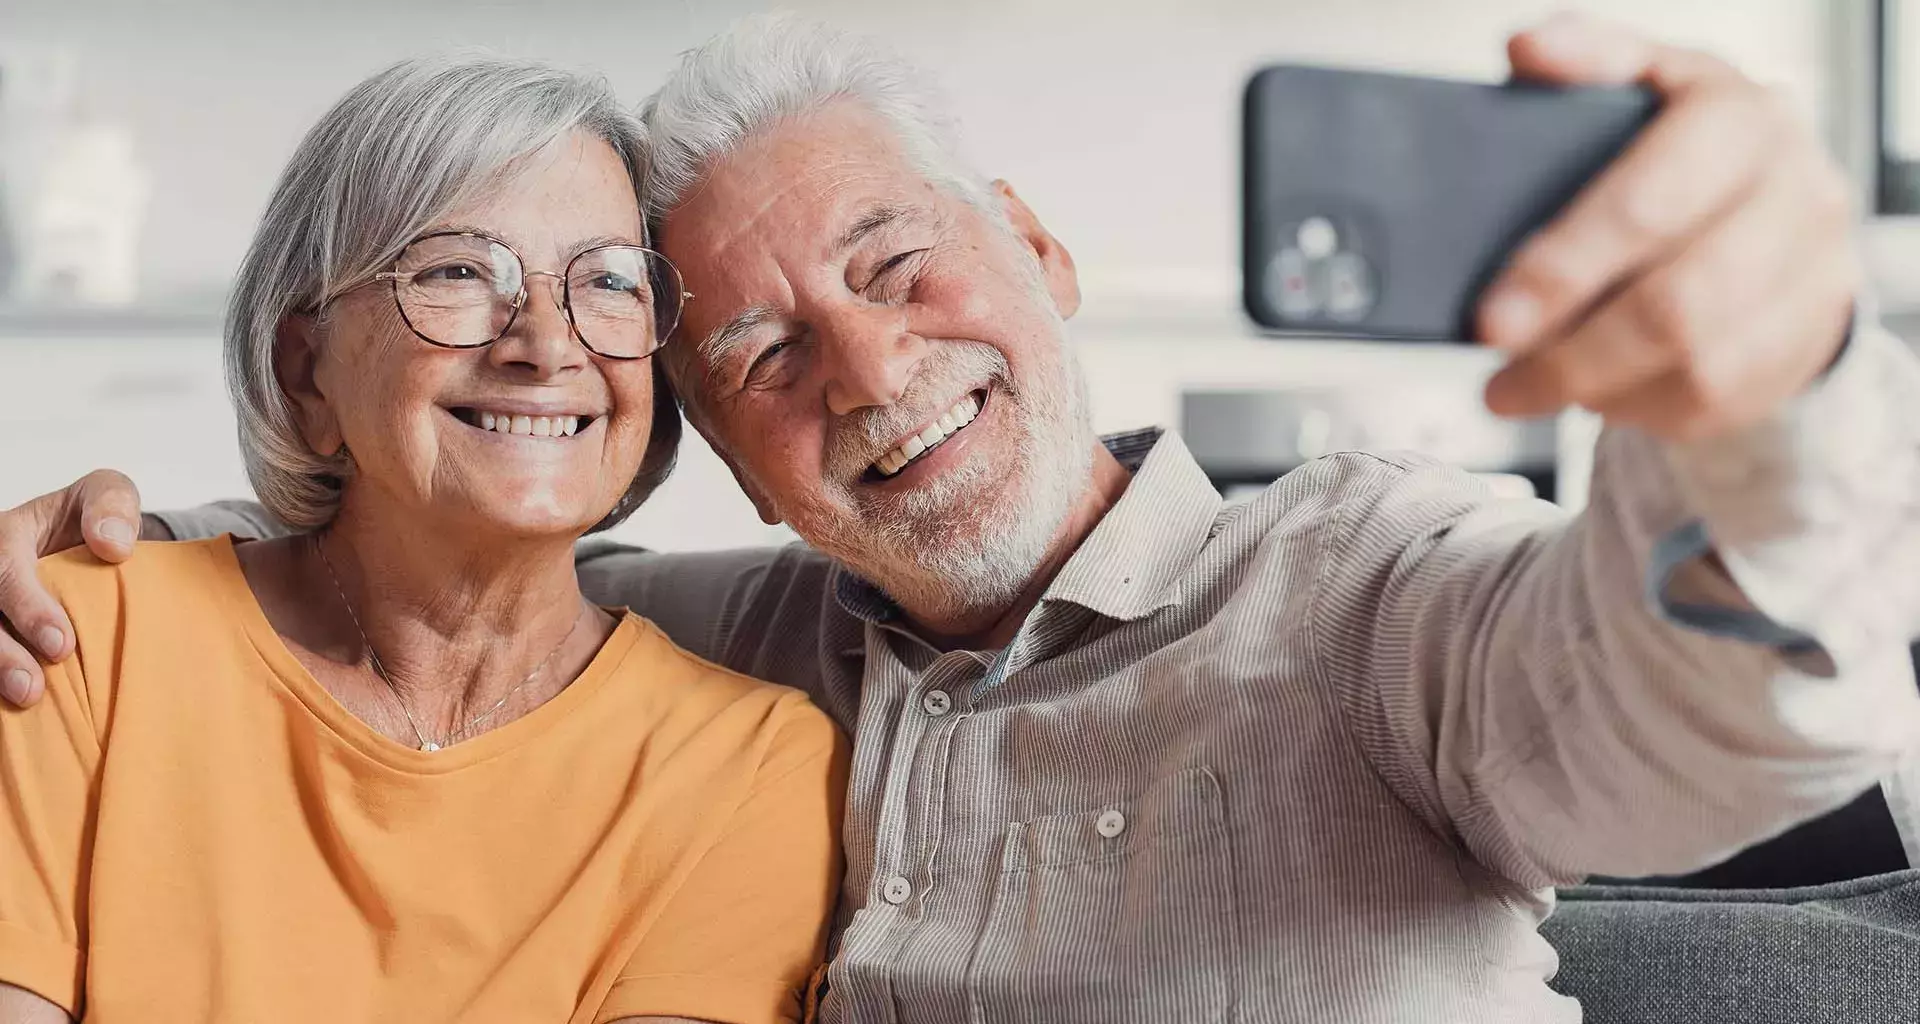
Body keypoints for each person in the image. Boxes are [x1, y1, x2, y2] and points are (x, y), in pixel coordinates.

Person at [5, 11, 1920, 1022]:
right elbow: (421, 559)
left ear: (1044, 249)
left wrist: (1766, 408)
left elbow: (1714, 725)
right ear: (719, 440)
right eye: (755, 344)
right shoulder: (725, 627)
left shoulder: (1361, 590)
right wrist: (104, 545)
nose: (860, 367)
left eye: (900, 260)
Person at [0, 56, 844, 1024]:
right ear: (307, 370)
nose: (545, 340)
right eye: (456, 272)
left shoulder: (747, 761)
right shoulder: (74, 640)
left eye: (608, 283)